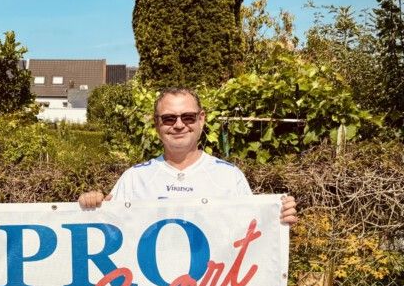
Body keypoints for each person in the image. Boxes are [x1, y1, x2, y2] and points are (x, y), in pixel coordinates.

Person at [78, 87, 298, 224]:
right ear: (157, 124)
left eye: (188, 117)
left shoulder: (230, 177)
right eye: (169, 118)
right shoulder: (134, 179)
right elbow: (109, 231)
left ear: (201, 119)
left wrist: (277, 217)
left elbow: (253, 231)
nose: (179, 125)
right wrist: (90, 207)